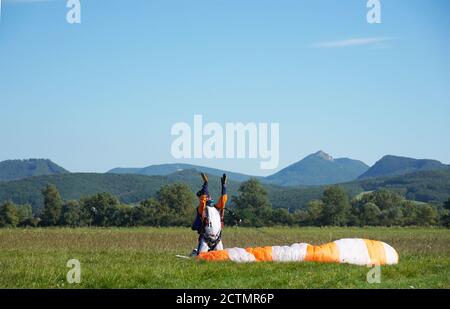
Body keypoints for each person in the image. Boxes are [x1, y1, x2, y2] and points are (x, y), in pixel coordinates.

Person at [191, 172, 227, 256]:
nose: (208, 197)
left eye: (209, 196)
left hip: (217, 240)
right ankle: (195, 253)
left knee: (221, 258)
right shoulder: (202, 209)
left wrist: (224, 187)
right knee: (201, 257)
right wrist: (206, 184)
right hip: (205, 239)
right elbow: (203, 198)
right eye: (207, 196)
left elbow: (223, 200)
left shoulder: (216, 208)